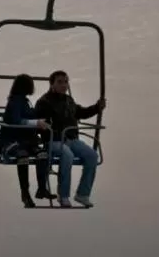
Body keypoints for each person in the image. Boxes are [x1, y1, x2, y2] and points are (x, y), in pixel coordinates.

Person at [34, 70, 106, 208]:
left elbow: (82, 113)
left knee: (92, 155)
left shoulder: (69, 100)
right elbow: (39, 123)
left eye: (66, 82)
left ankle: (82, 194)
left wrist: (97, 108)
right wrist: (49, 131)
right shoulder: (44, 102)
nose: (63, 85)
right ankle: (63, 195)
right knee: (67, 155)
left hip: (72, 139)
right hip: (54, 141)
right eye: (60, 82)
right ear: (52, 84)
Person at [0, 74, 56, 208]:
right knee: (22, 156)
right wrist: (36, 122)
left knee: (42, 154)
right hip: (11, 141)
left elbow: (32, 116)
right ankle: (25, 193)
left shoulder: (25, 102)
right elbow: (16, 121)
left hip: (26, 141)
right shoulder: (15, 102)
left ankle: (41, 188)